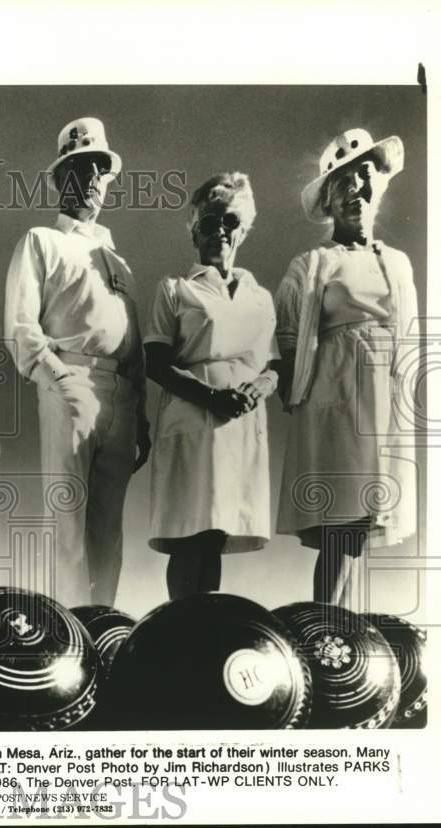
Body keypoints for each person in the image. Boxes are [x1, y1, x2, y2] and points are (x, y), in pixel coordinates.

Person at [4, 117, 150, 609]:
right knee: (67, 520)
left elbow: (133, 340)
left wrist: (142, 408)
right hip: (69, 379)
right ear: (61, 177)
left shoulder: (117, 259)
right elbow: (21, 326)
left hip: (122, 393)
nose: (91, 179)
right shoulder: (41, 240)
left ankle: (102, 626)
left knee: (108, 528)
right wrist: (57, 376)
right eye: (80, 167)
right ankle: (68, 631)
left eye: (100, 169)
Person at [275, 128, 419, 607]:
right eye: (343, 183)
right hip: (335, 396)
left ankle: (344, 627)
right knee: (343, 522)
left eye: (364, 175)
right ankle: (325, 625)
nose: (356, 188)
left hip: (384, 401)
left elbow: (411, 334)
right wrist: (300, 392)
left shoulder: (397, 264)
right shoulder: (313, 263)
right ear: (330, 201)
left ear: (379, 184)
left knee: (362, 524)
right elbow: (289, 333)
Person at [144, 173, 279, 598]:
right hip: (192, 420)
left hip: (240, 426)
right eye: (208, 222)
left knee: (216, 536)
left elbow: (274, 365)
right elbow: (156, 362)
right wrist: (210, 397)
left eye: (230, 220)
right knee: (190, 535)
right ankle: (180, 633)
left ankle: (205, 634)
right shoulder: (175, 290)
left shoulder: (260, 296)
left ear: (243, 229)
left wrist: (259, 388)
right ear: (194, 232)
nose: (219, 230)